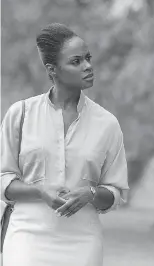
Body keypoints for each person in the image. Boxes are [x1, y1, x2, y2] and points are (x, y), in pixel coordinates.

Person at [1, 23, 129, 266]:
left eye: (88, 58)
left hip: (83, 241)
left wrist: (90, 193)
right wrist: (39, 191)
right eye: (76, 61)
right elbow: (3, 178)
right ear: (53, 70)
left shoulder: (107, 123)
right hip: (27, 237)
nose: (88, 66)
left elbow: (116, 193)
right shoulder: (21, 114)